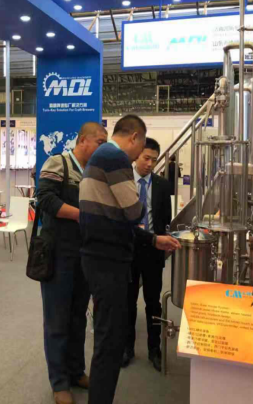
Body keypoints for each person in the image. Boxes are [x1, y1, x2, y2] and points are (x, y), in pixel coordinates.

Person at [79, 115, 180, 404]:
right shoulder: (115, 158)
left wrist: (154, 240)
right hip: (108, 262)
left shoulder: (100, 157)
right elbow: (135, 212)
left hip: (100, 258)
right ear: (134, 137)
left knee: (108, 338)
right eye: (141, 151)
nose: (141, 158)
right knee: (109, 342)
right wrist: (136, 207)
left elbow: (119, 220)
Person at [37, 122, 108, 404]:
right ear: (82, 140)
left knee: (79, 317)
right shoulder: (58, 163)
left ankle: (76, 371)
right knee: (57, 320)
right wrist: (82, 215)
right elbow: (45, 200)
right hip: (58, 255)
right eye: (100, 141)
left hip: (84, 255)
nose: (103, 147)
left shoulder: (94, 173)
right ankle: (59, 383)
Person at [123, 138, 172, 372]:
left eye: (154, 159)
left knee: (153, 303)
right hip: (129, 250)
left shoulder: (162, 185)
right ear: (137, 156)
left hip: (153, 251)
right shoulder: (124, 182)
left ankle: (155, 349)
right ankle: (127, 348)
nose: (150, 164)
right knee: (128, 301)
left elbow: (165, 219)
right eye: (146, 158)